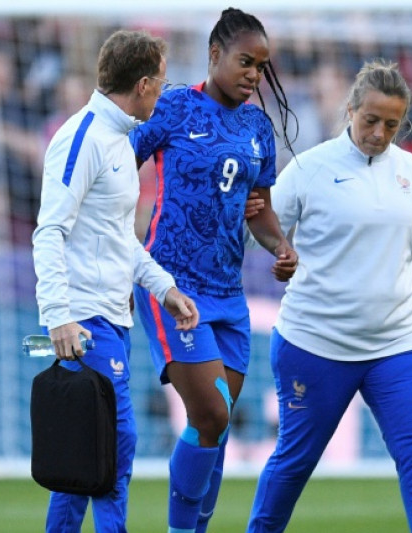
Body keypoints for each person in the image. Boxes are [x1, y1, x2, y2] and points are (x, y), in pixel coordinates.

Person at [248, 58, 412, 533]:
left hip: (398, 342)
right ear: (350, 109)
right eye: (371, 120)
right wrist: (277, 248)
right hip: (316, 344)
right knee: (294, 463)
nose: (379, 133)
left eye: (392, 124)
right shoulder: (309, 169)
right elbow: (261, 231)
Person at [128, 8, 299, 533]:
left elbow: (259, 207)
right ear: (214, 54)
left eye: (262, 66)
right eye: (246, 62)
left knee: (215, 430)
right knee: (213, 417)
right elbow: (117, 162)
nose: (254, 75)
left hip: (229, 297)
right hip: (174, 289)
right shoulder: (175, 106)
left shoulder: (257, 129)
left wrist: (280, 245)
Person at [32, 29, 200, 533]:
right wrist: (58, 315)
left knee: (83, 455)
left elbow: (117, 238)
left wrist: (162, 287)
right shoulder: (81, 138)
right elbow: (49, 231)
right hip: (84, 318)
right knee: (115, 442)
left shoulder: (118, 140)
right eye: (162, 84)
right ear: (144, 84)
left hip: (112, 315)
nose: (164, 93)